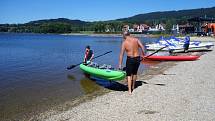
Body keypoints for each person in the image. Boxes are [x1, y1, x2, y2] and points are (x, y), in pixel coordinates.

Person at [118, 30, 145, 94]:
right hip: (137, 58)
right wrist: (143, 55)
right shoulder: (136, 40)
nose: (122, 37)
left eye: (122, 35)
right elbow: (142, 47)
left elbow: (121, 54)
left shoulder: (124, 43)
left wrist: (120, 64)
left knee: (129, 75)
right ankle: (133, 86)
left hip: (130, 59)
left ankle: (130, 91)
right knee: (135, 73)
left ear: (124, 35)